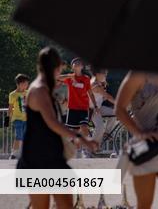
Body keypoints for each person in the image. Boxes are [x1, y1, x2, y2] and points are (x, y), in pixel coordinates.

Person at [17, 47, 97, 208]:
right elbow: (52, 122)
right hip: (36, 159)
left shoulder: (45, 88)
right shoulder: (39, 90)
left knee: (65, 204)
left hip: (50, 156)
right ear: (56, 67)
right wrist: (81, 138)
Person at [115, 71, 158, 208]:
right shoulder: (137, 75)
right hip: (146, 147)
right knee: (145, 204)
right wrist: (139, 133)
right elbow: (119, 109)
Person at [59, 57, 94, 135]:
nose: (78, 64)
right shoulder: (69, 78)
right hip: (72, 108)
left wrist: (95, 105)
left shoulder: (86, 78)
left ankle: (86, 145)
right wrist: (69, 76)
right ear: (72, 67)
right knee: (74, 132)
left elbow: (90, 93)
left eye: (80, 63)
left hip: (83, 108)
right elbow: (57, 77)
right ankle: (77, 146)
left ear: (82, 66)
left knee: (84, 127)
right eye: (76, 63)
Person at [90, 68, 117, 146]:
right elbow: (108, 97)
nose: (106, 75)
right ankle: (91, 148)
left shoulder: (100, 82)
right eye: (104, 73)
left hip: (98, 107)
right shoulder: (94, 84)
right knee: (100, 127)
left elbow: (100, 96)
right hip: (91, 109)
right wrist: (120, 105)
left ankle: (107, 133)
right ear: (97, 74)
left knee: (115, 112)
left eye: (106, 73)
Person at [8, 73, 29, 158]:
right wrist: (7, 122)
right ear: (18, 84)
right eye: (24, 84)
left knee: (25, 136)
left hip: (27, 119)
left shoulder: (28, 92)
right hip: (17, 119)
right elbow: (10, 108)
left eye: (27, 84)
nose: (26, 86)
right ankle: (13, 154)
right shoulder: (12, 94)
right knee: (18, 136)